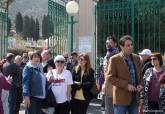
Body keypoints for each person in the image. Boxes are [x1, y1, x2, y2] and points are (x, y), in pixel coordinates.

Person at [107, 35, 143, 114]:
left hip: (135, 97)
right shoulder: (114, 59)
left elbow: (140, 75)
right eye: (128, 45)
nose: (131, 47)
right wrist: (126, 85)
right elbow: (110, 78)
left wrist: (140, 84)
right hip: (121, 98)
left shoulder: (137, 58)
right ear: (121, 47)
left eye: (131, 45)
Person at [103, 36, 119, 113]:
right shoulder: (106, 57)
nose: (108, 44)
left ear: (115, 44)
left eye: (110, 43)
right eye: (107, 43)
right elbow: (104, 72)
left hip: (117, 87)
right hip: (107, 87)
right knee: (108, 110)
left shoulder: (119, 56)